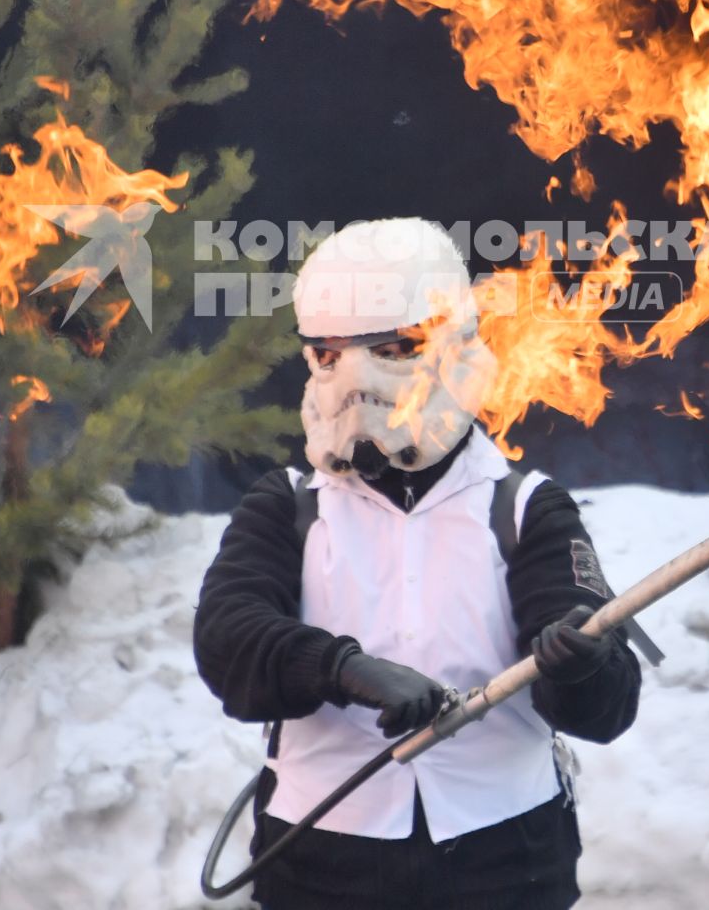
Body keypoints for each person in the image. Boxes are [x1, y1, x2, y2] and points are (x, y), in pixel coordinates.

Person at [193, 217, 643, 909]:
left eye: (394, 349)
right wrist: (342, 668)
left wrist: (582, 662)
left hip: (505, 863)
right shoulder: (286, 505)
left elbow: (607, 705)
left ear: (453, 346)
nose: (355, 383)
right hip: (317, 863)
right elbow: (226, 639)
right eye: (328, 355)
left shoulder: (525, 508)